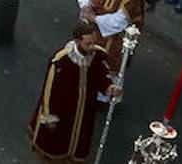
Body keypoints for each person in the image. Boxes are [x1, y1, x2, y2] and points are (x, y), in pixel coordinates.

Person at [27, 19, 117, 163]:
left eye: (94, 42)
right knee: (57, 146)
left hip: (84, 112)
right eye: (88, 44)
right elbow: (50, 91)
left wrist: (109, 87)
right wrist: (50, 116)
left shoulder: (97, 55)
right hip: (63, 113)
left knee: (78, 145)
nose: (92, 47)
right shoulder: (61, 61)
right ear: (77, 41)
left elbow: (102, 75)